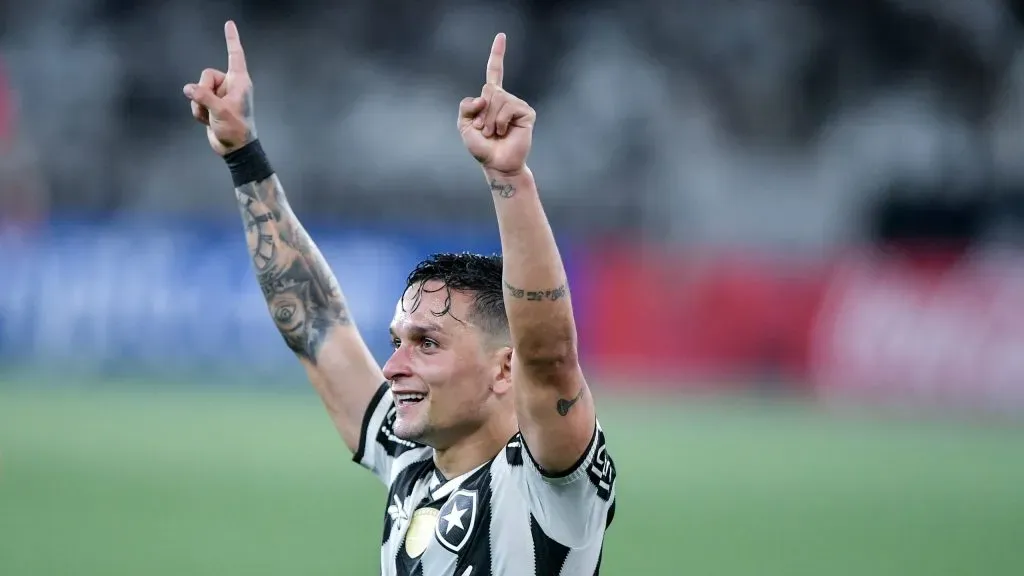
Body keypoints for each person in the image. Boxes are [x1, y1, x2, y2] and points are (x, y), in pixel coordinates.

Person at [183, 21, 617, 576]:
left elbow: (550, 355)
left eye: (427, 343)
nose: (393, 367)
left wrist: (509, 179)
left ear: (505, 368)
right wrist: (243, 155)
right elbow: (315, 321)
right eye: (398, 342)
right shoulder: (412, 453)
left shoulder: (550, 486)